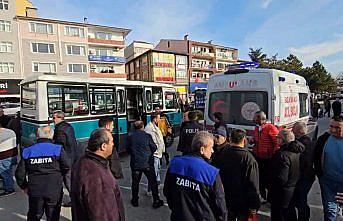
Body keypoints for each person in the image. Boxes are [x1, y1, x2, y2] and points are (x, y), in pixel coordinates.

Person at [164, 131, 227, 221]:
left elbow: (167, 191)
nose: (212, 151)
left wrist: (176, 209)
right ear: (202, 149)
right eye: (211, 147)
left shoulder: (175, 163)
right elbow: (220, 205)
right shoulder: (211, 173)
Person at [15, 127, 70, 221]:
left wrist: (24, 187)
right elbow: (67, 167)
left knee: (34, 214)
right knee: (53, 215)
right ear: (52, 136)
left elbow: (19, 174)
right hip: (54, 190)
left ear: (37, 136)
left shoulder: (28, 151)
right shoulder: (58, 149)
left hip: (35, 190)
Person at [71, 128, 126, 221]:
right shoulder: (95, 175)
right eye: (111, 141)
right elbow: (101, 213)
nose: (113, 144)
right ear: (103, 146)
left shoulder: (83, 162)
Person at [212, 129, 260, 221]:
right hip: (243, 202)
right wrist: (254, 205)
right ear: (244, 140)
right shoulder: (249, 159)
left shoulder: (222, 154)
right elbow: (253, 184)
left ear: (230, 139)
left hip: (226, 199)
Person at [127, 121, 164, 208]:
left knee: (135, 183)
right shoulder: (147, 136)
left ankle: (135, 200)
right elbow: (154, 147)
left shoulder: (131, 137)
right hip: (147, 163)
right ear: (142, 127)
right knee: (153, 182)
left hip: (136, 163)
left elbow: (128, 149)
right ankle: (156, 200)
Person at [270, 129, 304, 221]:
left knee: (279, 215)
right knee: (290, 214)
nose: (277, 140)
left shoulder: (283, 155)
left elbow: (281, 178)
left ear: (283, 140)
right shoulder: (296, 152)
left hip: (281, 193)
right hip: (292, 190)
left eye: (278, 138)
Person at [314, 116, 343, 221]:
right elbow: (316, 156)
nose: (333, 130)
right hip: (328, 182)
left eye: (338, 128)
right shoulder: (324, 139)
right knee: (330, 210)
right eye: (331, 126)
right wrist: (320, 175)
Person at [252, 111, 279, 202]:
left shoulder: (270, 128)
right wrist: (253, 141)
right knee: (260, 179)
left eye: (255, 118)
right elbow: (256, 138)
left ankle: (271, 199)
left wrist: (274, 155)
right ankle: (262, 197)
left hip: (268, 158)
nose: (253, 119)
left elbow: (276, 143)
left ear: (260, 118)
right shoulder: (257, 128)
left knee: (268, 179)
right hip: (258, 156)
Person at [52, 110, 77, 207]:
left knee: (67, 180)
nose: (53, 120)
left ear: (60, 118)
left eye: (54, 118)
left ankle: (74, 200)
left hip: (65, 159)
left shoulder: (60, 129)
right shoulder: (68, 126)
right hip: (70, 157)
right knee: (68, 180)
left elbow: (60, 145)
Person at [292, 122, 315, 221]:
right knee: (299, 200)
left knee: (301, 201)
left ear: (300, 132)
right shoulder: (305, 141)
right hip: (305, 176)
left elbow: (304, 162)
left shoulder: (304, 143)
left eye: (294, 129)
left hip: (304, 177)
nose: (292, 131)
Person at [145, 112, 165, 192]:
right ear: (155, 119)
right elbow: (152, 142)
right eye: (158, 118)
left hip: (158, 153)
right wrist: (156, 150)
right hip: (155, 153)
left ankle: (155, 186)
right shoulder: (149, 128)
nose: (159, 120)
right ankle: (151, 190)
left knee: (157, 170)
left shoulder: (154, 126)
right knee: (154, 172)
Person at [0, 123, 17, 197]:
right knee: (8, 172)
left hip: (4, 157)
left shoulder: (1, 135)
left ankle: (9, 189)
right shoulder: (11, 131)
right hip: (13, 155)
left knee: (5, 173)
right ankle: (6, 185)